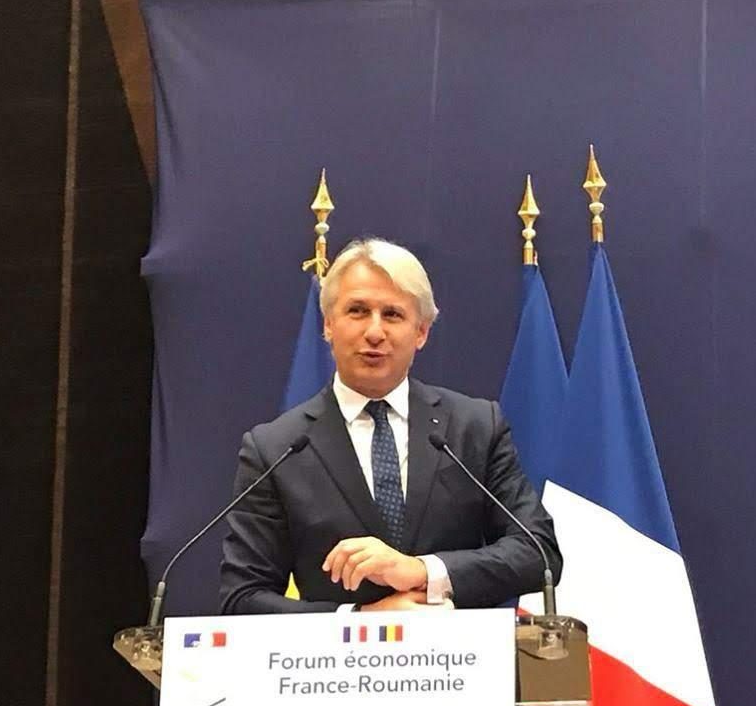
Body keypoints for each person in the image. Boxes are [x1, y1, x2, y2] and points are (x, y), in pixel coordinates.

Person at [220, 238, 562, 614]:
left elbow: (537, 551)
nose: (374, 332)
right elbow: (242, 598)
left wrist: (423, 571)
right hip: (336, 652)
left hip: (455, 649)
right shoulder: (275, 448)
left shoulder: (474, 427)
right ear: (329, 324)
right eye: (357, 311)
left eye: (393, 315)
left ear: (421, 332)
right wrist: (360, 621)